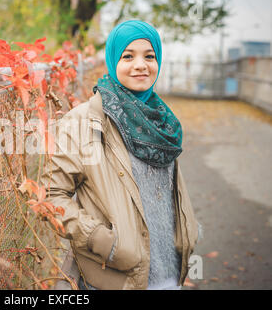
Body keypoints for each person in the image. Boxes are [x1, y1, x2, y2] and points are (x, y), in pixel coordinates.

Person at [40, 20, 202, 290]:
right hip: (117, 276)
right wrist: (104, 241)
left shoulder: (162, 121)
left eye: (149, 56)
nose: (141, 65)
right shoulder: (84, 121)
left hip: (169, 272)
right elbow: (51, 196)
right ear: (113, 59)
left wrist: (188, 234)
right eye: (128, 56)